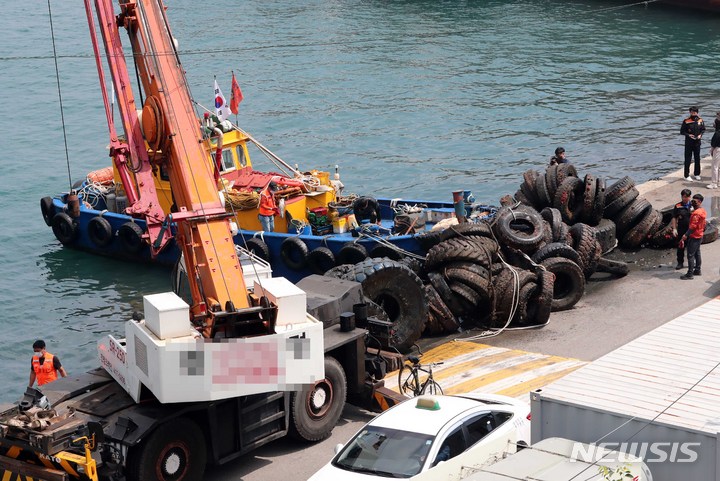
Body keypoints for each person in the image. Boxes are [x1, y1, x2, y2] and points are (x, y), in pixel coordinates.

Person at [680, 193, 707, 280]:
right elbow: (704, 224)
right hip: (700, 235)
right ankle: (697, 270)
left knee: (690, 255)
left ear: (699, 202)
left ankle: (690, 274)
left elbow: (692, 227)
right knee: (697, 253)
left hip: (694, 236)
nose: (692, 202)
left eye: (694, 201)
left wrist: (685, 235)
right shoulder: (702, 210)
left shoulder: (696, 214)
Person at [680, 106, 705, 182]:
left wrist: (700, 135)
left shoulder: (700, 120)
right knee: (688, 159)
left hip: (697, 142)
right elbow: (682, 131)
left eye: (694, 112)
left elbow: (703, 129)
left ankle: (697, 174)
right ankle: (686, 175)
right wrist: (688, 135)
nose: (693, 113)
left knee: (697, 158)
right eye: (692, 112)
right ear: (690, 112)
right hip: (689, 143)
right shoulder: (686, 121)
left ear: (697, 112)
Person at [671, 189, 693, 270]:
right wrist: (674, 229)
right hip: (681, 229)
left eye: (686, 197)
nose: (684, 199)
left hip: (691, 230)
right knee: (680, 247)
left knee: (691, 248)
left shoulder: (693, 205)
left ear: (689, 197)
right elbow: (674, 217)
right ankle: (680, 263)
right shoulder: (678, 206)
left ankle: (692, 263)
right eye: (683, 197)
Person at [707, 113, 720, 189]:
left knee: (715, 166)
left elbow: (714, 142)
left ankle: (714, 183)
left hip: (718, 148)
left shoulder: (718, 132)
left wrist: (711, 149)